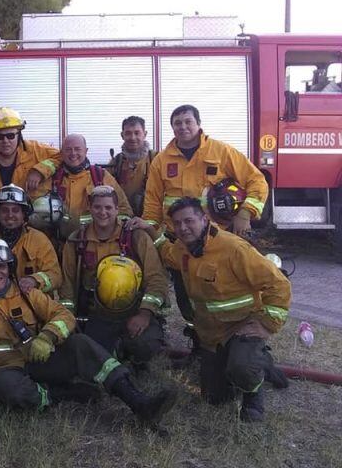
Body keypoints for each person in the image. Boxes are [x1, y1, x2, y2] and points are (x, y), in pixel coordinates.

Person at [0, 236, 177, 422]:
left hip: (36, 357)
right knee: (12, 392)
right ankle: (63, 394)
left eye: (1, 266)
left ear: (9, 267)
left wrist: (48, 336)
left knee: (80, 344)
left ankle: (138, 401)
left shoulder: (26, 292)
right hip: (0, 369)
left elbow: (63, 314)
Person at [136, 197, 291, 422]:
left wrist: (267, 324)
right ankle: (259, 364)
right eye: (177, 223)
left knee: (242, 369)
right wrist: (149, 229)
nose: (183, 228)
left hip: (242, 327)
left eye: (189, 221)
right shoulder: (184, 250)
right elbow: (167, 252)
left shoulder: (233, 248)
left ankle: (252, 394)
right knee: (215, 398)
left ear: (204, 219)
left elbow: (279, 284)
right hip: (212, 336)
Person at [60, 186, 167, 366]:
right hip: (98, 314)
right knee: (91, 355)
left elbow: (156, 278)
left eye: (108, 208)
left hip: (133, 310)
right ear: (90, 209)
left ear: (117, 210)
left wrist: (145, 314)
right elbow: (67, 283)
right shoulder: (77, 240)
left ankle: (130, 346)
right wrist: (69, 320)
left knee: (145, 347)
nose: (103, 212)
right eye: (97, 207)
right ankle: (116, 350)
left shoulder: (136, 237)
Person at [141, 104, 268, 238]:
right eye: (177, 123)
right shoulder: (161, 161)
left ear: (199, 123)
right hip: (177, 235)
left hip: (217, 234)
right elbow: (152, 201)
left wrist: (245, 214)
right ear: (173, 128)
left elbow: (256, 181)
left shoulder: (222, 151)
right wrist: (151, 230)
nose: (183, 127)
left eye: (188, 121)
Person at [46, 134, 133, 238]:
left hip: (93, 243)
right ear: (62, 152)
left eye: (77, 149)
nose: (73, 153)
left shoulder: (101, 176)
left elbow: (124, 210)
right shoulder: (53, 178)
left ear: (86, 151)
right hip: (58, 242)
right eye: (68, 149)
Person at [0, 184, 61, 298]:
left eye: (15, 210)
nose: (10, 215)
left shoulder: (39, 240)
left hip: (33, 304)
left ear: (24, 214)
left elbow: (55, 276)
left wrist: (35, 280)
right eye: (4, 210)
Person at [108, 116, 157, 216]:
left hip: (150, 218)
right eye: (128, 133)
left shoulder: (156, 159)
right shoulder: (116, 163)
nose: (132, 138)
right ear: (122, 135)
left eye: (137, 133)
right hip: (123, 218)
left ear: (145, 134)